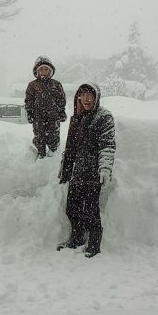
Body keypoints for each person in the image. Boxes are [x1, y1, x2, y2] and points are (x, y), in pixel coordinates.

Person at [58, 82, 116, 257]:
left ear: (96, 97)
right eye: (82, 95)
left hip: (93, 173)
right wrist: (65, 168)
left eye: (90, 95)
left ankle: (94, 245)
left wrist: (104, 168)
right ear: (78, 97)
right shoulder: (77, 117)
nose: (86, 99)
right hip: (77, 172)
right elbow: (70, 147)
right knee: (72, 208)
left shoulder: (104, 117)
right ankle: (76, 239)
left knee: (91, 211)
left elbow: (107, 146)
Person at [25, 56, 67, 159]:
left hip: (53, 116)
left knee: (53, 135)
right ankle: (40, 153)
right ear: (37, 71)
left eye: (46, 69)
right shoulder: (33, 85)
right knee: (39, 135)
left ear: (50, 71)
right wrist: (30, 112)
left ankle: (53, 152)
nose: (43, 71)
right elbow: (29, 100)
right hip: (38, 117)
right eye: (41, 69)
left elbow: (61, 99)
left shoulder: (56, 84)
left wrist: (61, 111)